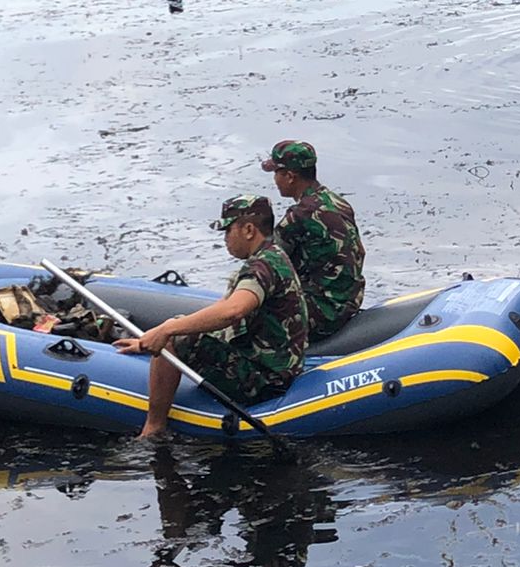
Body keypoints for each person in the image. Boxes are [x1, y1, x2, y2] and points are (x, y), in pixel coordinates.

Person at [115, 194, 308, 439]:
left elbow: (233, 311)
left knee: (175, 338)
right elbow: (225, 306)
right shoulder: (273, 256)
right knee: (178, 326)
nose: (225, 239)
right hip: (275, 368)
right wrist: (147, 340)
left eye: (228, 231)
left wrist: (167, 331)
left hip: (265, 381)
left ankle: (153, 427)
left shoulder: (262, 268)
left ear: (248, 230)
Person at [261, 140, 366, 342]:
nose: (274, 179)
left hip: (323, 312)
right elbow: (360, 251)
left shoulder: (299, 215)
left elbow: (265, 261)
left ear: (290, 177)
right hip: (351, 301)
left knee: (250, 325)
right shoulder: (338, 202)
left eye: (276, 173)